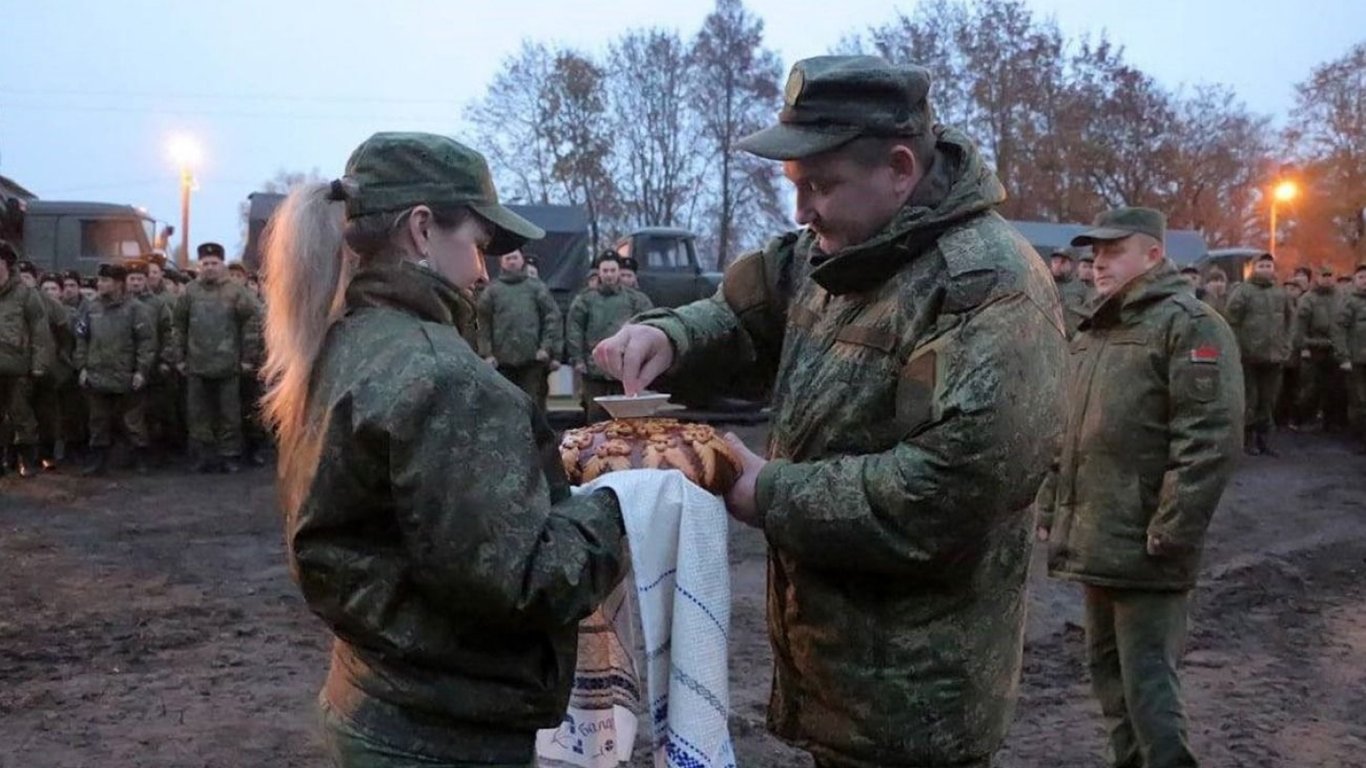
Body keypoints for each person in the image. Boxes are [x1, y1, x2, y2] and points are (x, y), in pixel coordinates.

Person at [595, 55, 1066, 768]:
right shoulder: (837, 249)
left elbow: (954, 491)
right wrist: (670, 333)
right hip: (840, 675)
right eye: (794, 186)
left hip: (915, 704)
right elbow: (743, 308)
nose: (801, 210)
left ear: (900, 169)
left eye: (819, 185)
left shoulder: (987, 289)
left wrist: (768, 491)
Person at [259, 132, 627, 768]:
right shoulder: (440, 374)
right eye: (478, 244)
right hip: (444, 730)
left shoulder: (345, 341)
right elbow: (521, 583)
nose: (482, 270)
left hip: (373, 695)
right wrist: (618, 504)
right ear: (423, 229)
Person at [1038, 207, 1242, 768]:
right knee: (1109, 681)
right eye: (1094, 254)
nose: (1097, 264)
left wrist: (1172, 529)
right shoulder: (1098, 329)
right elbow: (1070, 430)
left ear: (1153, 254)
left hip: (1146, 546)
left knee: (1150, 691)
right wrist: (1053, 504)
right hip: (1098, 537)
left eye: (1112, 252)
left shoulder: (1189, 325)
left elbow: (1209, 439)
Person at [173, 242, 261, 473]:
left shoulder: (235, 291)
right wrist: (179, 358)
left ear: (222, 264)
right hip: (197, 363)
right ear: (199, 265)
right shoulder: (190, 291)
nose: (209, 267)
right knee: (198, 414)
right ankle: (203, 456)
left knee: (229, 414)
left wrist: (248, 358)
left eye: (214, 263)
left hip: (229, 364)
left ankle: (230, 455)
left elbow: (251, 324)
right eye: (205, 263)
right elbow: (178, 326)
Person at [73, 263, 156, 475]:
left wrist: (141, 371)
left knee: (132, 421)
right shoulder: (90, 307)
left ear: (118, 284)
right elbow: (81, 339)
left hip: (126, 374)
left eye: (105, 281)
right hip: (97, 374)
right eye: (99, 280)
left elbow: (146, 343)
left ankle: (141, 458)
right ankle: (98, 461)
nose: (100, 284)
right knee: (98, 421)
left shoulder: (136, 309)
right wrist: (82, 367)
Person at [567, 252, 651, 422]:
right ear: (599, 272)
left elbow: (648, 328)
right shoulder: (585, 300)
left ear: (619, 271)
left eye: (613, 270)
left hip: (625, 371)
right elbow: (574, 329)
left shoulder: (636, 300)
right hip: (593, 371)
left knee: (627, 421)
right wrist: (578, 359)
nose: (609, 275)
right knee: (596, 420)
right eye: (605, 271)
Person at [476, 248, 562, 413]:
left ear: (522, 260)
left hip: (532, 362)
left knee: (534, 407)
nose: (512, 261)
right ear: (501, 262)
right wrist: (486, 353)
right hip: (502, 364)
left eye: (515, 257)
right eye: (507, 258)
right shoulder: (492, 291)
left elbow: (552, 318)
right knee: (504, 407)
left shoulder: (537, 288)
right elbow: (482, 324)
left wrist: (546, 347)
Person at [1225, 252, 1292, 455]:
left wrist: (1285, 346)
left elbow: (1290, 321)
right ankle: (1246, 439)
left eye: (1269, 266)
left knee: (1268, 400)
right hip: (1249, 356)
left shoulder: (1281, 293)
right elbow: (1231, 321)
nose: (1265, 269)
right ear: (1253, 268)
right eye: (1261, 266)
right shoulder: (1243, 292)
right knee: (1250, 399)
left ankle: (1264, 439)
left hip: (1274, 357)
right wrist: (1236, 348)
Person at [0, 240, 54, 478]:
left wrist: (38, 365)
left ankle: (27, 460)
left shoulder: (26, 295)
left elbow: (40, 333)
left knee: (22, 415)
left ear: (7, 266)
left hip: (17, 367)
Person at [34, 273, 75, 470]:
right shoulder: (32, 306)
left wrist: (63, 360)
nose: (49, 293)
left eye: (54, 289)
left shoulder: (60, 311)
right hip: (31, 366)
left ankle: (52, 453)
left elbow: (66, 337)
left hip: (56, 370)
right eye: (46, 289)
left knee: (53, 414)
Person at [1294, 266, 1339, 430]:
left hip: (1335, 348)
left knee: (1334, 387)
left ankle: (1330, 421)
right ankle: (1301, 419)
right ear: (1317, 278)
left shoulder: (1340, 297)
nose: (1327, 279)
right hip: (1314, 348)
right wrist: (1303, 346)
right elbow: (1300, 326)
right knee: (1310, 387)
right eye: (1324, 276)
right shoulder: (1308, 299)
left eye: (1330, 275)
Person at [1334, 265, 1366, 453]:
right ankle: (1359, 437)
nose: (1365, 281)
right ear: (1355, 280)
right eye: (1361, 277)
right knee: (1359, 401)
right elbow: (1339, 330)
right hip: (1355, 359)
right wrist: (1343, 356)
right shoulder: (1349, 302)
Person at [1051, 246, 1091, 337]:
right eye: (1055, 261)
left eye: (1063, 262)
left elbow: (1091, 314)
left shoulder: (1081, 287)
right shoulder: (1044, 283)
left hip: (1072, 341)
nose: (1058, 265)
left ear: (1071, 264)